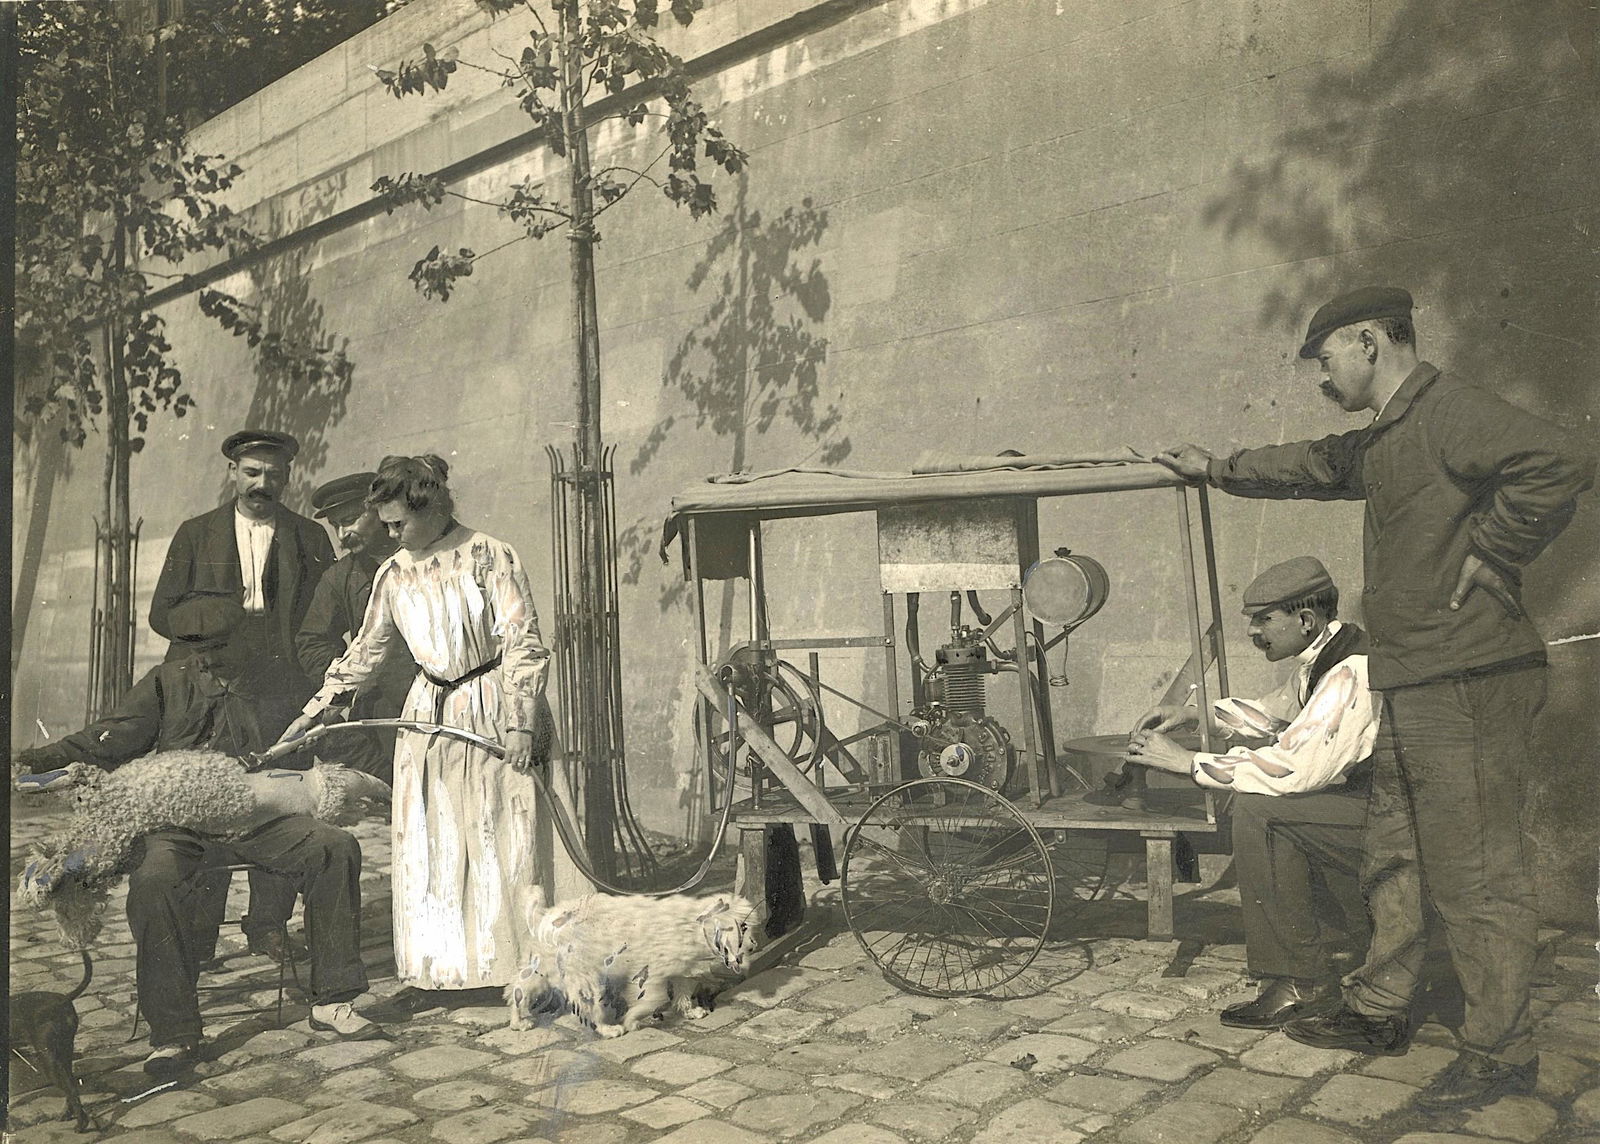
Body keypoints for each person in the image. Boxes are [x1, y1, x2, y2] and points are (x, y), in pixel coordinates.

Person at [1153, 286, 1594, 1110]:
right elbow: (1316, 463)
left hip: (1467, 678)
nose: (1320, 378)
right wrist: (1216, 469)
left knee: (1476, 879)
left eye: (1324, 361)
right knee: (1395, 854)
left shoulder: (1448, 411)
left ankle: (1501, 1054)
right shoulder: (1391, 435)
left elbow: (1560, 461)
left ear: (1366, 341)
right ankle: (1381, 1009)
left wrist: (1497, 549)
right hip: (1412, 679)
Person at [13, 593, 387, 1075]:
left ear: (243, 637)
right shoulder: (167, 682)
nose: (208, 659)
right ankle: (174, 1035)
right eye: (197, 650)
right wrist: (34, 760)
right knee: (154, 880)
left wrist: (383, 776)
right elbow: (109, 738)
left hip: (261, 816)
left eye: (219, 647)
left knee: (335, 847)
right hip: (181, 824)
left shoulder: (281, 679)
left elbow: (333, 736)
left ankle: (333, 1001)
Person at [278, 455, 588, 1003]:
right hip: (429, 716)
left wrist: (520, 724)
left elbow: (523, 640)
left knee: (499, 837)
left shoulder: (490, 554)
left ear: (433, 507)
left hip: (492, 705)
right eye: (387, 525)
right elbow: (366, 650)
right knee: (436, 838)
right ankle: (443, 971)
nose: (391, 534)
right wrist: (317, 708)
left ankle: (517, 967)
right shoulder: (393, 573)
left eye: (399, 524)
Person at [1126, 556, 1397, 1031]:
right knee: (1259, 805)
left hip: (1387, 818)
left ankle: (1301, 981)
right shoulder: (1322, 657)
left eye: (1264, 619)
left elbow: (1294, 769)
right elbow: (1272, 715)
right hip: (1364, 808)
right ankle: (1315, 949)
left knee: (1260, 813)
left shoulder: (1350, 671)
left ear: (1305, 619)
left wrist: (1186, 763)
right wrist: (1194, 716)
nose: (1254, 632)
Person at [148, 429, 336, 961]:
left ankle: (268, 926)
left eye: (273, 475)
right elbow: (162, 612)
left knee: (278, 804)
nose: (262, 484)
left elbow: (323, 618)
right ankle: (199, 933)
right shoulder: (195, 533)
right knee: (205, 801)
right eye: (252, 473)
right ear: (233, 472)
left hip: (280, 688)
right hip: (210, 686)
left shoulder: (309, 538)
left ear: (287, 478)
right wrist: (214, 626)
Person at [296, 471, 414, 784]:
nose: (342, 533)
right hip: (382, 713)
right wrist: (356, 683)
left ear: (380, 510)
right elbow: (312, 640)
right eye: (335, 525)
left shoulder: (422, 558)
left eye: (350, 519)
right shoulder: (339, 577)